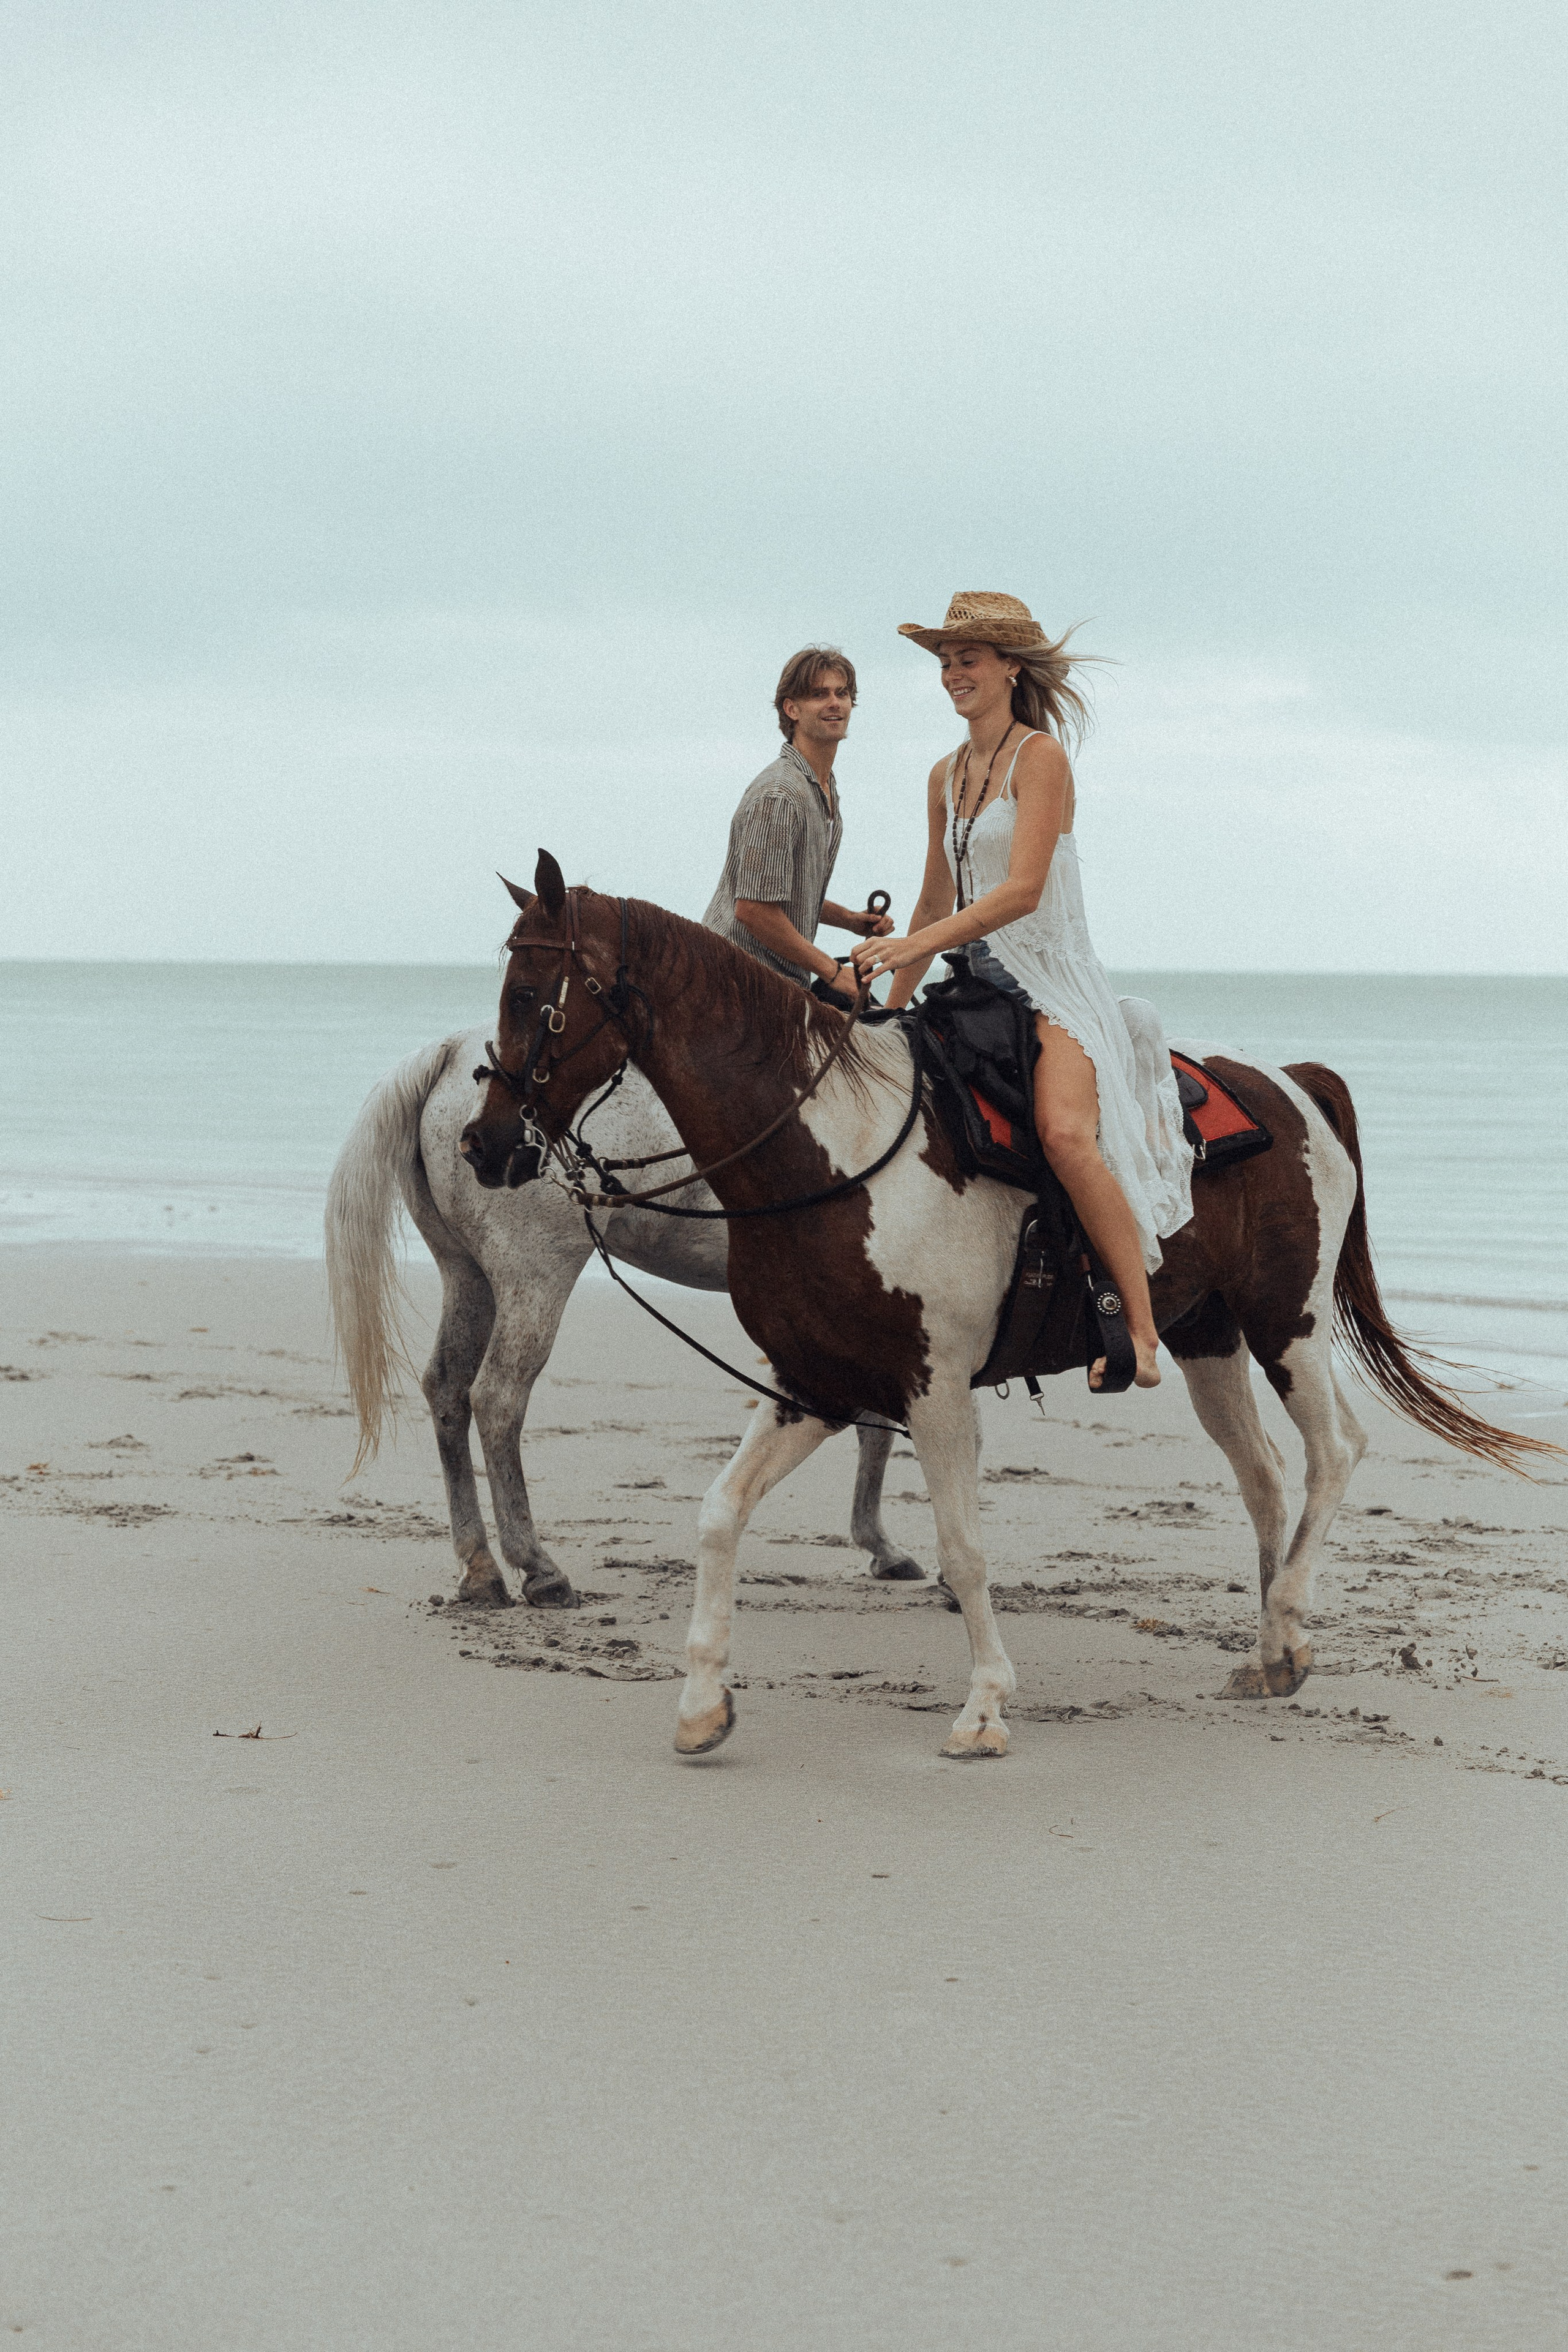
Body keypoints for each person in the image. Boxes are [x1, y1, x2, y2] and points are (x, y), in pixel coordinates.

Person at [851, 592, 1191, 1389]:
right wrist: (884, 1008)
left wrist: (916, 944)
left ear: (1009, 667)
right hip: (973, 985)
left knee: (1065, 1134)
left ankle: (1139, 1333)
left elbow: (1023, 890)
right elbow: (933, 900)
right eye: (945, 662)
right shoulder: (943, 775)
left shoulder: (1041, 758)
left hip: (1052, 986)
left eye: (967, 659)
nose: (952, 674)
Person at [704, 646, 894, 1005]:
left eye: (842, 693)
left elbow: (784, 891)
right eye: (819, 694)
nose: (835, 703)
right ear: (792, 709)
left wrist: (851, 920)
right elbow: (754, 909)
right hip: (734, 987)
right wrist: (834, 973)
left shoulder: (822, 786)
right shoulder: (780, 794)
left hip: (774, 987)